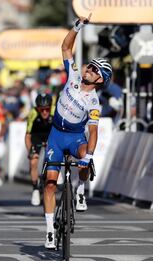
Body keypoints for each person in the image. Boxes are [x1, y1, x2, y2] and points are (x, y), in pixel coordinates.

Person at [43, 14, 112, 249]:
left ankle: (81, 189)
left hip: (74, 138)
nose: (89, 69)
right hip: (55, 135)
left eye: (94, 69)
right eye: (90, 66)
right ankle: (50, 230)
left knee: (84, 156)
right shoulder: (72, 75)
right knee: (50, 183)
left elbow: (93, 132)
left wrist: (89, 156)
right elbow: (65, 47)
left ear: (100, 80)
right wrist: (78, 26)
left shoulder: (94, 102)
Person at [25, 93, 53, 206]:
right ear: (37, 108)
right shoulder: (32, 113)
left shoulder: (55, 112)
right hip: (36, 136)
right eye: (42, 110)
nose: (45, 112)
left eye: (47, 109)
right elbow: (27, 136)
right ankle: (35, 189)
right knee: (33, 161)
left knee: (53, 157)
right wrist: (30, 151)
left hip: (50, 136)